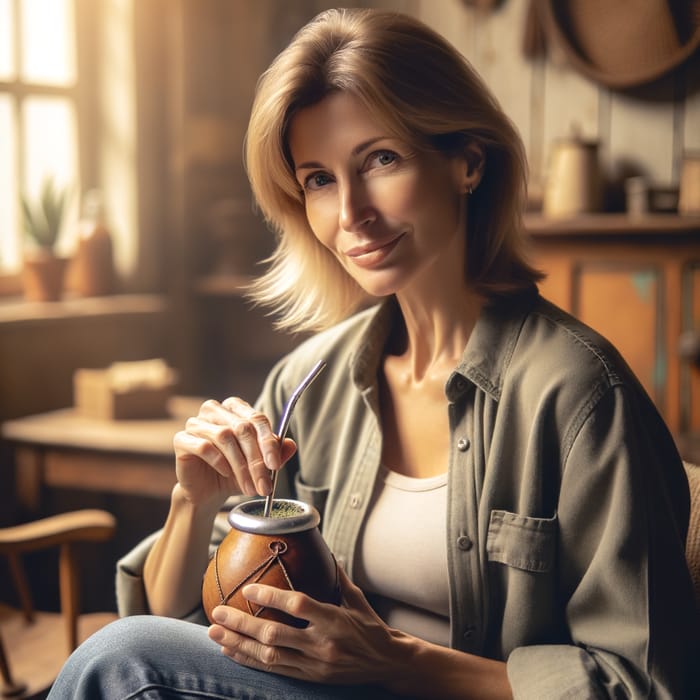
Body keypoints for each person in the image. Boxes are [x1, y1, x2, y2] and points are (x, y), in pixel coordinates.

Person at [48, 7, 698, 699]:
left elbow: (647, 684)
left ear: (467, 162)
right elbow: (184, 625)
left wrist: (396, 660)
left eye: (381, 160)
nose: (350, 211)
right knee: (125, 657)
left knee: (120, 659)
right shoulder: (309, 381)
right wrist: (194, 501)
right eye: (319, 179)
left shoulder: (582, 395)